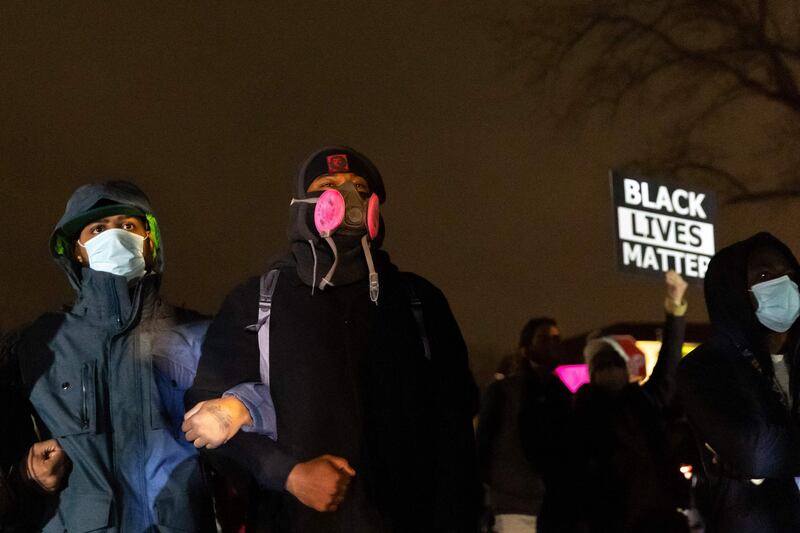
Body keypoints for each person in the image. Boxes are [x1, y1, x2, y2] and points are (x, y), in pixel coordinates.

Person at [184, 146, 482, 532]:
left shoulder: (419, 300)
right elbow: (206, 423)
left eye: (359, 186)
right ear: (300, 204)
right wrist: (287, 474)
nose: (348, 196)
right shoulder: (255, 303)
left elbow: (456, 428)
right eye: (328, 185)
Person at [3, 180, 215, 531]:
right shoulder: (40, 343)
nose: (114, 237)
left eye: (128, 226)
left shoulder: (199, 335)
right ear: (78, 250)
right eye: (98, 228)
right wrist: (23, 473)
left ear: (150, 242)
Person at [678, 232, 800, 532]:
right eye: (764, 275)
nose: (783, 284)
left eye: (789, 274)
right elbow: (754, 452)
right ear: (731, 290)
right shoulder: (705, 368)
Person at [575, 271, 689, 533]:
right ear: (593, 376)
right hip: (615, 518)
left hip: (659, 515)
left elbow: (669, 361)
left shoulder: (645, 400)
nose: (610, 371)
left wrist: (676, 307)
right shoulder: (584, 412)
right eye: (602, 366)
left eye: (614, 364)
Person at [476, 318, 559, 532]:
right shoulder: (504, 392)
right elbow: (483, 446)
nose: (552, 344)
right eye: (544, 338)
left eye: (555, 339)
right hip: (513, 504)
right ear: (525, 347)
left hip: (551, 506)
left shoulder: (560, 394)